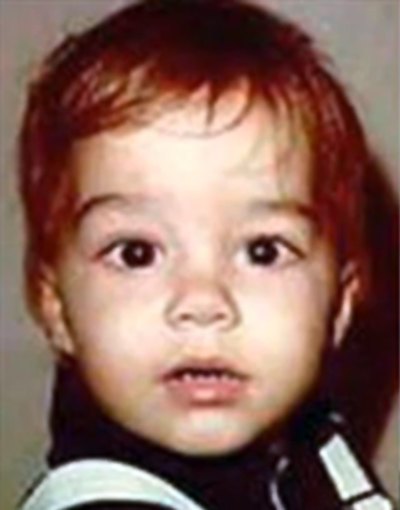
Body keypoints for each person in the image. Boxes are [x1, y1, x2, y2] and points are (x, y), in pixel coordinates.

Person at [18, 0, 396, 509]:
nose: (202, 302)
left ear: (341, 305)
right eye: (137, 253)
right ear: (56, 306)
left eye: (263, 251)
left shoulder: (315, 444)